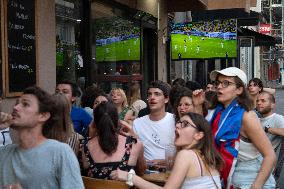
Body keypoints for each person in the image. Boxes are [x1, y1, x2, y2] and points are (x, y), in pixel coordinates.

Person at [111, 112, 224, 189]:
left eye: (185, 124)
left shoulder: (186, 155)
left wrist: (130, 177)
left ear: (199, 135)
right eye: (178, 122)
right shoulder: (203, 155)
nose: (178, 126)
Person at [0, 86, 83, 189]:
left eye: (25, 104)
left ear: (43, 116)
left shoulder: (60, 152)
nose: (16, 107)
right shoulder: (4, 153)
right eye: (16, 103)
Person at [209, 67, 276, 189]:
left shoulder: (247, 116)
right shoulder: (217, 113)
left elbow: (270, 155)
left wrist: (256, 186)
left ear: (239, 89)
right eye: (218, 83)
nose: (219, 87)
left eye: (226, 83)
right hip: (228, 175)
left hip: (250, 177)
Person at [80, 101, 145, 179]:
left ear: (94, 122)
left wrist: (91, 133)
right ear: (118, 121)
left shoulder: (86, 146)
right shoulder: (134, 144)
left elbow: (85, 171)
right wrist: (135, 138)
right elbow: (141, 171)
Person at [132, 80, 175, 166]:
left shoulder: (175, 120)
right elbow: (134, 150)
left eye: (157, 94)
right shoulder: (138, 123)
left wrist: (163, 161)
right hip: (145, 170)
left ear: (166, 99)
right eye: (149, 94)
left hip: (169, 170)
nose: (152, 97)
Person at [256, 91, 284, 186]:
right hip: (253, 162)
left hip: (266, 166)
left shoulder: (278, 118)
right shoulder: (256, 119)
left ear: (272, 105)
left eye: (263, 101)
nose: (259, 103)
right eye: (258, 101)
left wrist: (268, 129)